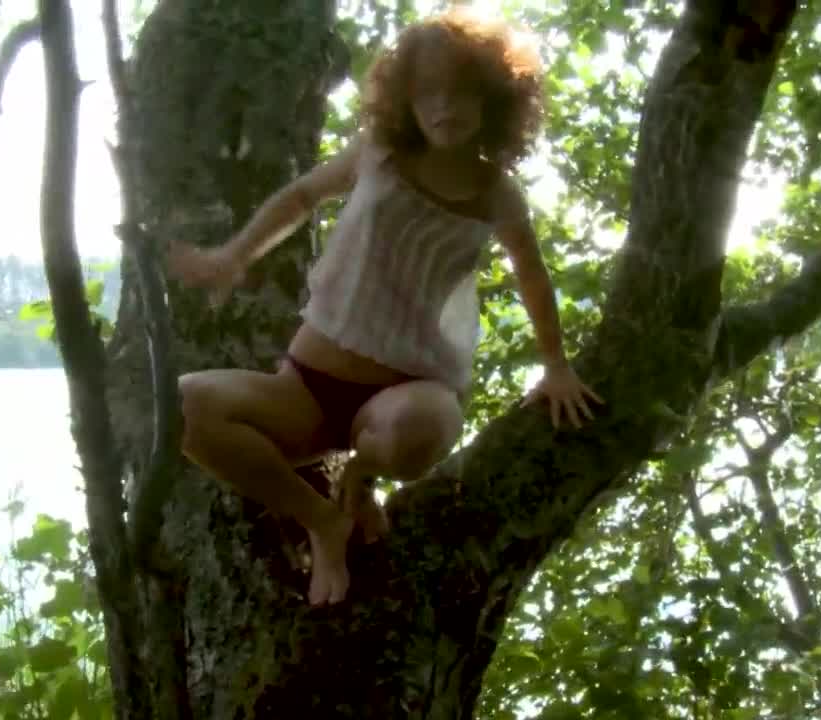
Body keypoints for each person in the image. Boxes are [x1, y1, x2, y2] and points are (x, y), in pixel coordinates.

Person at [168, 7, 602, 607]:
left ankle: (360, 474)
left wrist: (555, 365)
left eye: (461, 92)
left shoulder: (495, 193)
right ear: (406, 100)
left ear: (494, 98)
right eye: (428, 93)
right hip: (306, 392)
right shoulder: (379, 154)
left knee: (421, 431)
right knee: (181, 407)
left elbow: (532, 273)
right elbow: (302, 196)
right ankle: (323, 520)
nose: (444, 107)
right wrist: (233, 257)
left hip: (405, 394)